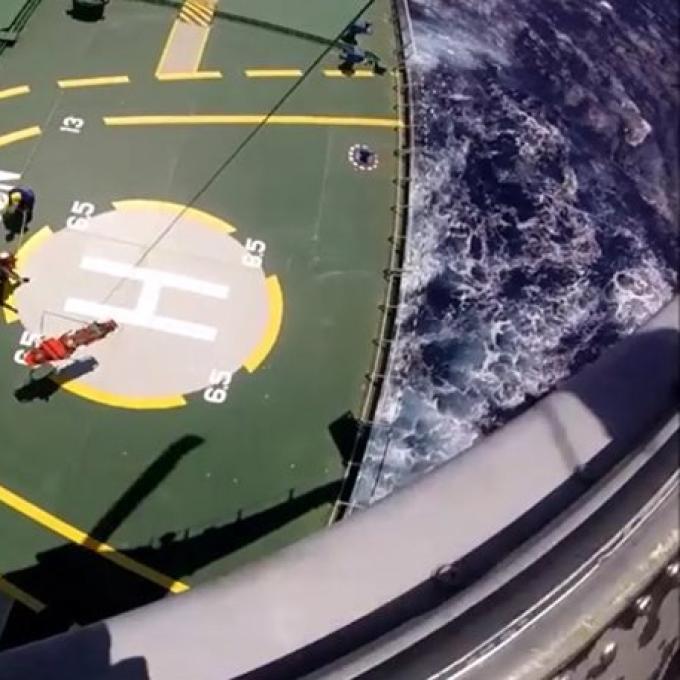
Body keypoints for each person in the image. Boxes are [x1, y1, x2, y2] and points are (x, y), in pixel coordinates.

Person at [22, 319, 117, 369]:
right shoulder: (42, 355)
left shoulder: (40, 353)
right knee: (83, 338)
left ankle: (104, 327)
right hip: (63, 346)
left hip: (63, 344)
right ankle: (106, 328)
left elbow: (49, 348)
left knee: (82, 336)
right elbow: (54, 354)